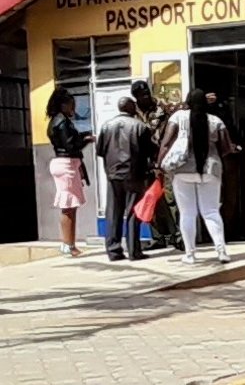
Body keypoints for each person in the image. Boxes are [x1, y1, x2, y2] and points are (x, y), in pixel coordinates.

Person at [157, 88, 233, 267]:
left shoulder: (178, 117)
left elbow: (166, 143)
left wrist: (158, 164)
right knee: (211, 212)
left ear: (188, 102)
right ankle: (221, 251)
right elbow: (226, 147)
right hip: (210, 170)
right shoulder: (216, 121)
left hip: (183, 170)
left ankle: (190, 254)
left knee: (187, 213)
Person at [96, 95, 152, 262]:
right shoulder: (140, 127)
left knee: (113, 211)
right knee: (133, 211)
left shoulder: (106, 126)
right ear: (130, 108)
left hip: (113, 174)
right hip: (134, 173)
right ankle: (134, 250)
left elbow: (100, 151)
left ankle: (113, 250)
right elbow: (148, 151)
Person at [131, 79, 181, 251]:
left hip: (164, 158)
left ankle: (178, 236)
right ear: (136, 97)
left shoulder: (162, 108)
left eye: (147, 93)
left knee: (170, 198)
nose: (146, 97)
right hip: (144, 161)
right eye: (141, 95)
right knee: (151, 198)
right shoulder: (132, 112)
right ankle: (158, 237)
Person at [45, 87, 94, 257]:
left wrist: (84, 136)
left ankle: (69, 243)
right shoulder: (62, 122)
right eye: (71, 105)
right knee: (68, 206)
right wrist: (87, 139)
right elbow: (71, 145)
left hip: (64, 163)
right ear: (63, 105)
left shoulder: (55, 121)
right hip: (67, 163)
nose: (73, 109)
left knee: (70, 206)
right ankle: (68, 244)